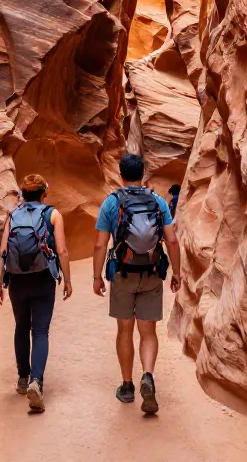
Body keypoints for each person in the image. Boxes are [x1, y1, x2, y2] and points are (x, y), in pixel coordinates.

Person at [92, 153, 182, 415]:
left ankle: (128, 386)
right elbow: (172, 241)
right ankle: (149, 376)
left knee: (124, 330)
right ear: (144, 173)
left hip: (122, 274)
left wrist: (97, 276)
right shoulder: (157, 201)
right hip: (152, 273)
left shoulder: (111, 202)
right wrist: (176, 272)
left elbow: (100, 244)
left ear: (121, 175)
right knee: (148, 332)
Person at [0, 174, 73, 413]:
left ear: (23, 194)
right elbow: (62, 250)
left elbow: (3, 251)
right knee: (40, 331)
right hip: (43, 279)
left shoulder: (13, 216)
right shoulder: (53, 215)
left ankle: (22, 379)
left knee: (21, 327)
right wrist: (67, 280)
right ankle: (36, 381)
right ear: (43, 193)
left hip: (17, 280)